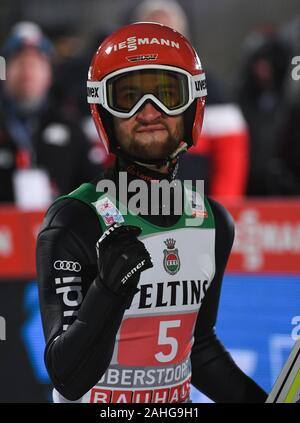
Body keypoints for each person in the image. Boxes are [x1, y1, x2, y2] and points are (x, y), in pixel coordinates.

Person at [37, 22, 267, 403]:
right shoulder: (73, 221)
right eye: (128, 97)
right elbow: (67, 377)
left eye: (166, 94)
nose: (149, 112)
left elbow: (199, 346)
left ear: (192, 105)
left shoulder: (213, 222)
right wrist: (107, 292)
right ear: (104, 113)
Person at [131, 0, 249, 199]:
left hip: (196, 210)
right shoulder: (122, 89)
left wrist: (222, 211)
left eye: (166, 33)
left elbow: (230, 161)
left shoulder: (212, 90)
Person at [0, 22, 103, 206]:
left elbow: (95, 189)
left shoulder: (70, 125)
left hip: (58, 230)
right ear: (5, 71)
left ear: (49, 73)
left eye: (36, 62)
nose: (27, 71)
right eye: (19, 62)